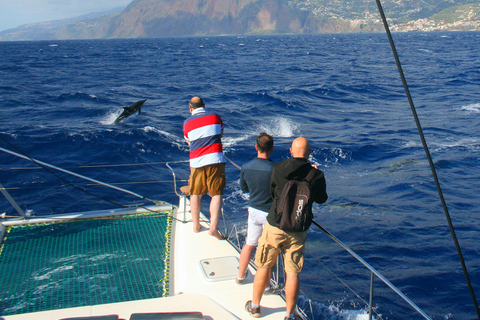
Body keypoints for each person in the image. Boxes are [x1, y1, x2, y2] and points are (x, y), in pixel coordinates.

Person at [245, 137, 328, 320]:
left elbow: (272, 193)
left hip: (275, 224)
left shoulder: (278, 168)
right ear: (309, 153)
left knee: (264, 266)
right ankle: (289, 315)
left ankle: (255, 306)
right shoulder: (317, 175)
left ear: (291, 151)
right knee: (292, 273)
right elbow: (322, 199)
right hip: (298, 228)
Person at [183, 96, 226, 240]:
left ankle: (196, 225)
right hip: (215, 159)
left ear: (190, 108)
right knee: (216, 194)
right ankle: (213, 228)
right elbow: (220, 134)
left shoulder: (187, 123)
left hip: (196, 162)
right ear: (204, 105)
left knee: (196, 193)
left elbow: (189, 141)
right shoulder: (215, 117)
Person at [237, 132, 274, 284]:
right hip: (269, 214)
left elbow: (244, 188)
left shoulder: (246, 167)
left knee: (249, 244)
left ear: (256, 147)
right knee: (267, 250)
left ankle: (240, 276)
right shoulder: (275, 169)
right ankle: (265, 285)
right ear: (272, 149)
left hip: (253, 210)